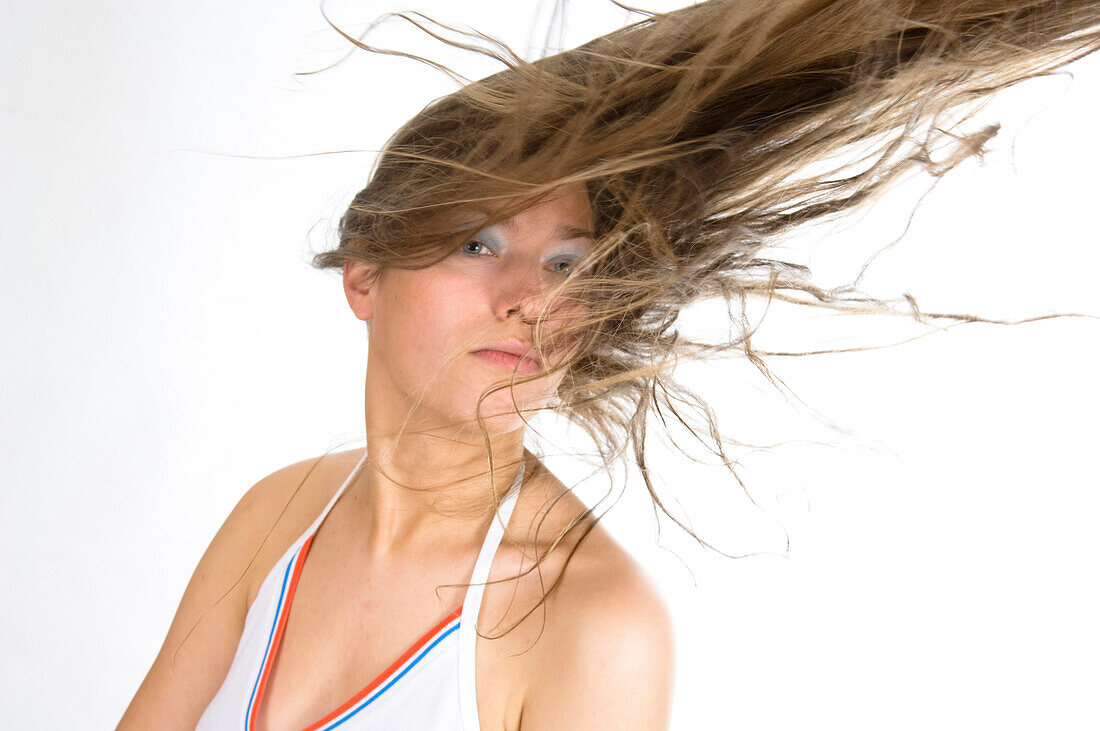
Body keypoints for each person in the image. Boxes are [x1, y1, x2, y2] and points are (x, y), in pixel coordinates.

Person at [118, 0, 1100, 728]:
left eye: (563, 260)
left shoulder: (590, 618)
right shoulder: (277, 518)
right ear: (362, 274)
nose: (526, 296)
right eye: (475, 243)